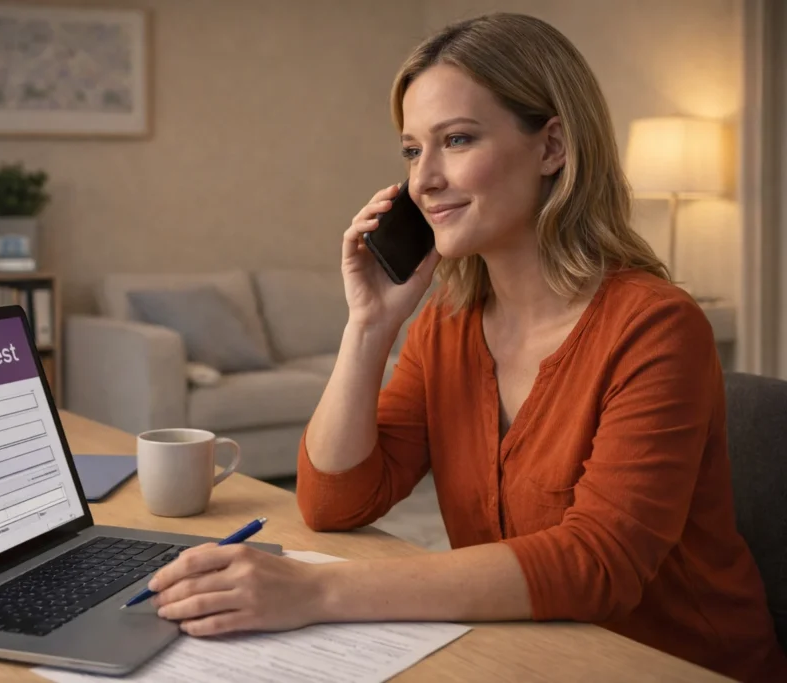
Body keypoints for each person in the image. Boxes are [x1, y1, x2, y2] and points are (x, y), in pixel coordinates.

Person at [144, 13, 787, 682]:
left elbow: (598, 563)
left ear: (552, 147)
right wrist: (368, 326)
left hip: (675, 666)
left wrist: (314, 590)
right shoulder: (447, 322)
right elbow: (335, 502)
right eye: (412, 150)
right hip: (524, 653)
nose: (423, 180)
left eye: (456, 139)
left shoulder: (657, 326)